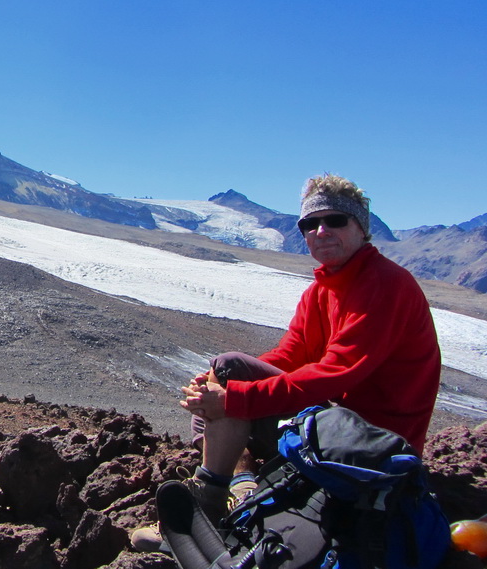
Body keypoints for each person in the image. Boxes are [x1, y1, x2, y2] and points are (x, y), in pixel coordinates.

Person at [131, 174, 442, 551]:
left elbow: (332, 374)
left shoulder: (384, 286)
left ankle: (207, 506)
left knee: (230, 379)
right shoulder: (322, 291)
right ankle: (242, 483)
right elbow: (289, 357)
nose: (321, 231)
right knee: (223, 378)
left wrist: (234, 397)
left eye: (335, 220)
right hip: (332, 427)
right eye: (310, 224)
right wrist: (218, 385)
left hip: (376, 445)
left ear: (362, 228)